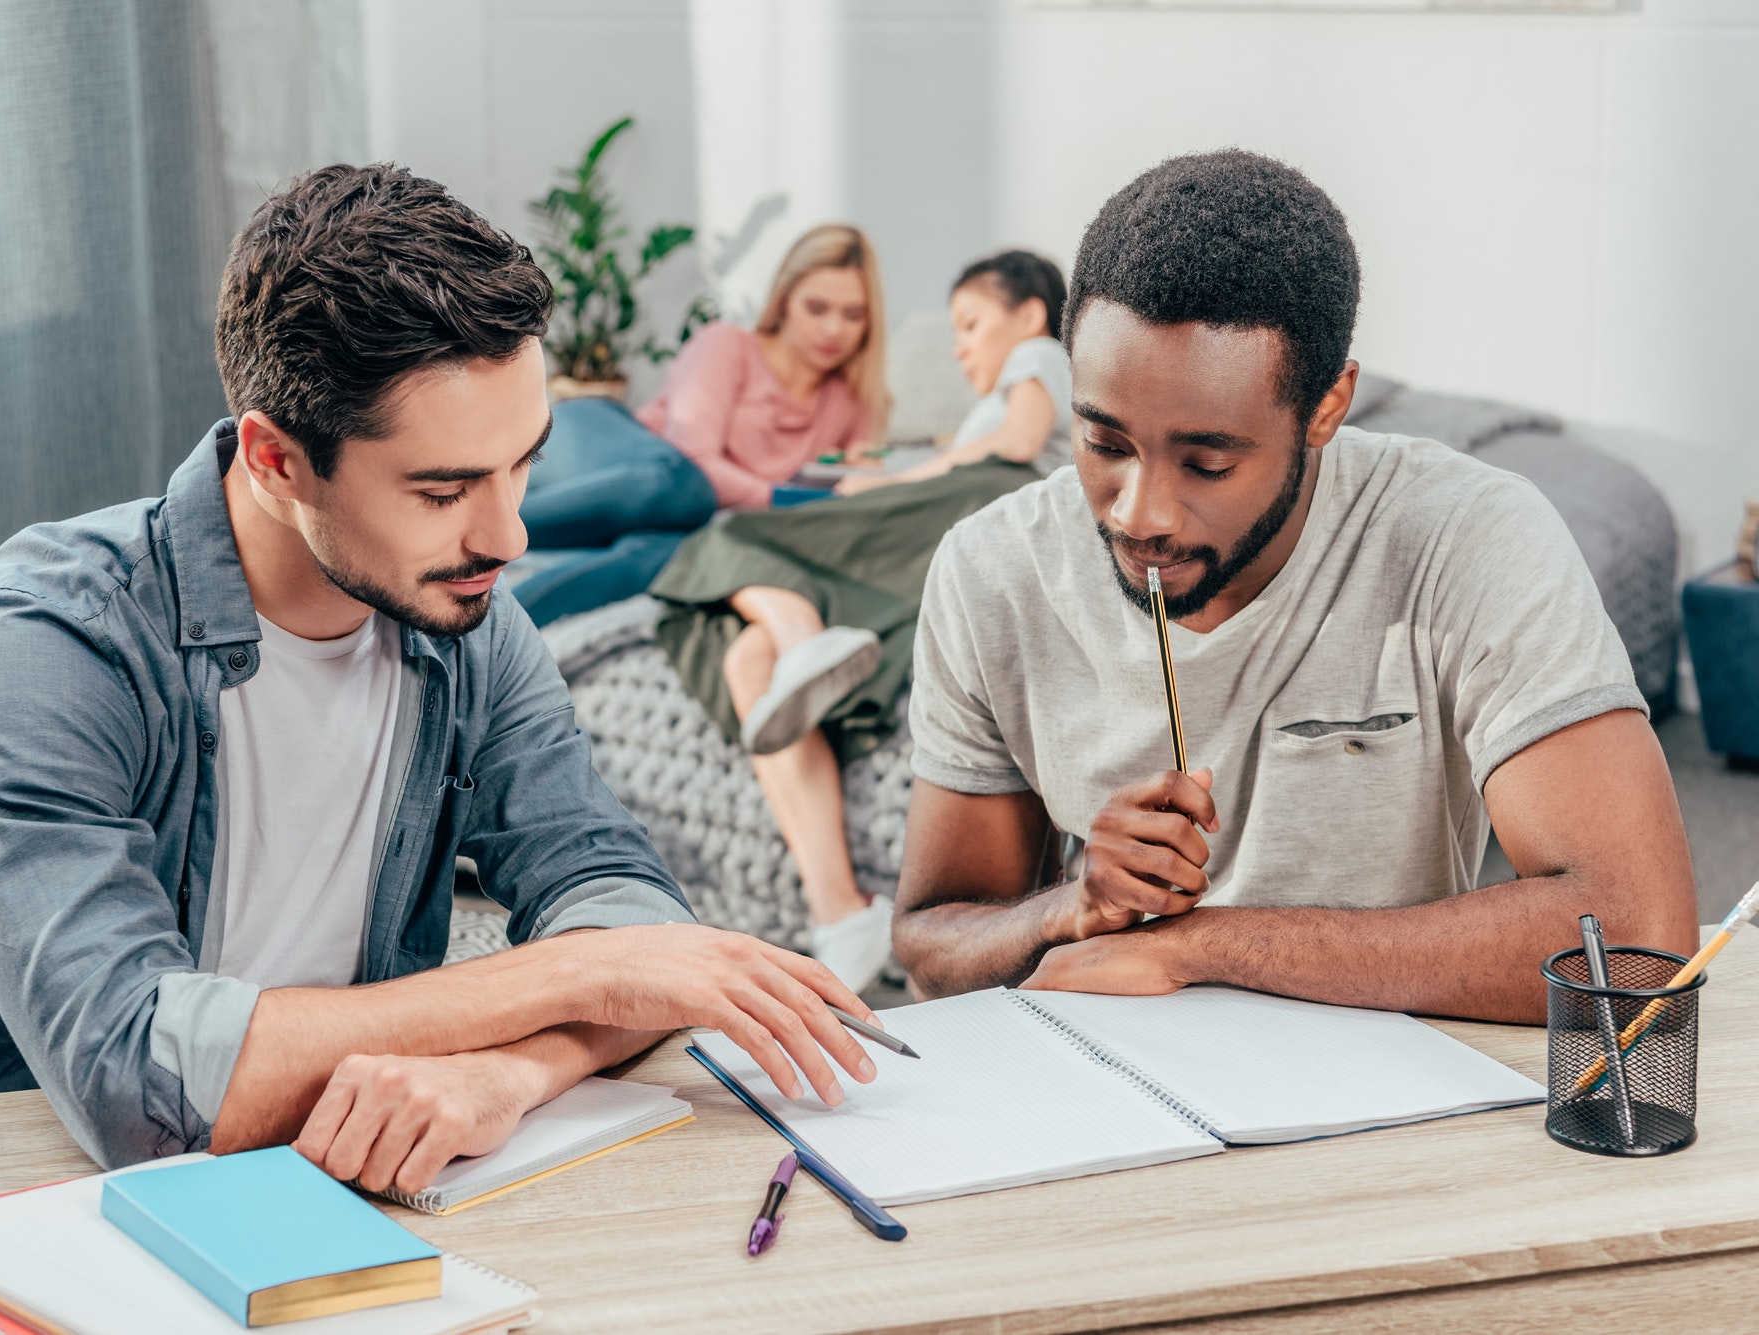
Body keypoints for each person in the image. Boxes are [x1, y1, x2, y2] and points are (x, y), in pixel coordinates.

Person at [0, 165, 881, 1335]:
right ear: (276, 456)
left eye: (523, 463)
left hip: (296, 1178)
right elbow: (140, 1080)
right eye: (444, 488)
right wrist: (565, 977)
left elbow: (616, 904)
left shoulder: (473, 629)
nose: (508, 534)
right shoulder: (50, 639)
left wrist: (509, 1071)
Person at [890, 150, 1698, 1014]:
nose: (1140, 514)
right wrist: (1074, 902)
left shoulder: (1468, 536)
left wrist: (1200, 948)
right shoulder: (991, 568)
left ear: (1326, 408)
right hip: (1107, 1098)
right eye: (1106, 444)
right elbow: (934, 948)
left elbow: (1637, 937)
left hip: (1389, 1097)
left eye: (1207, 461)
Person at [651, 251, 1076, 991]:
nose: (960, 347)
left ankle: (806, 638)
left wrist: (907, 475)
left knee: (725, 537)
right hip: (947, 522)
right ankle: (838, 909)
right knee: (747, 660)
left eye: (971, 324)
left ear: (1031, 315)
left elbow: (1014, 447)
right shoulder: (994, 401)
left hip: (975, 504)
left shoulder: (1044, 355)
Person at [508, 224, 889, 625]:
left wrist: (853, 477)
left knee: (678, 551)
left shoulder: (854, 401)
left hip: (677, 515)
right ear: (785, 299)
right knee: (684, 485)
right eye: (817, 308)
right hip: (602, 443)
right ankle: (491, 523)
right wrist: (793, 497)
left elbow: (849, 497)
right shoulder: (727, 344)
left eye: (852, 315)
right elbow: (696, 459)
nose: (833, 330)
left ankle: (504, 626)